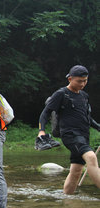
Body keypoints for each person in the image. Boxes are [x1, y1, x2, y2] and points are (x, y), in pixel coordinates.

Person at [37, 65, 100, 194]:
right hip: (70, 135)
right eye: (79, 81)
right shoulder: (61, 94)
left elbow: (87, 118)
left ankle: (67, 200)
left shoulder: (84, 96)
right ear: (70, 79)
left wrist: (98, 127)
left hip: (83, 135)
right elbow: (45, 113)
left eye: (85, 80)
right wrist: (41, 130)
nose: (82, 84)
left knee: (76, 170)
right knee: (91, 157)